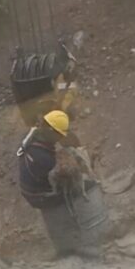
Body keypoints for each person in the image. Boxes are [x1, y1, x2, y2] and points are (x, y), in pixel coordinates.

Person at [17, 110, 109, 257]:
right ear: (50, 131)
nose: (60, 138)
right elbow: (63, 176)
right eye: (59, 134)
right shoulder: (44, 158)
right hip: (41, 195)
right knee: (87, 187)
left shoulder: (31, 139)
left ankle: (64, 242)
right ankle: (91, 234)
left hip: (31, 190)